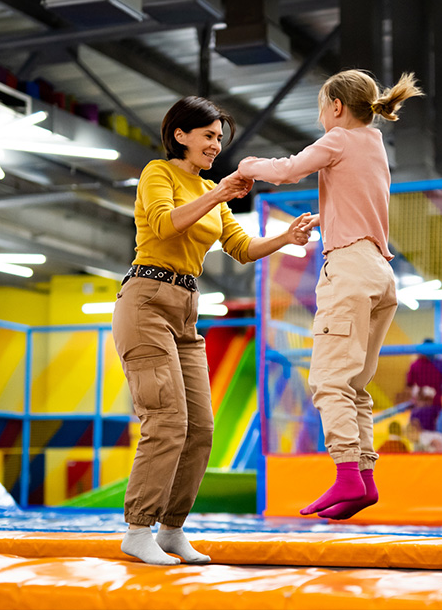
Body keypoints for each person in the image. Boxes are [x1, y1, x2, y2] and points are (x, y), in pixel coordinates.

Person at [113, 96, 319, 566]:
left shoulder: (212, 191)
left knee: (201, 428)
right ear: (181, 135)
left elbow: (242, 249)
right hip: (146, 300)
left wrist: (286, 239)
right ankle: (138, 528)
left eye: (219, 138)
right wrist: (217, 192)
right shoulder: (158, 173)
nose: (215, 144)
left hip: (187, 308)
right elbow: (164, 226)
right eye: (208, 136)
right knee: (165, 421)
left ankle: (172, 529)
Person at [238, 70, 423, 520]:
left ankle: (345, 475)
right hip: (380, 273)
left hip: (350, 270)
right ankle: (363, 479)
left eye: (322, 108)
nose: (323, 117)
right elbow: (360, 199)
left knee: (328, 381)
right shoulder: (374, 144)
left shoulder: (339, 138)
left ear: (336, 107)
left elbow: (286, 171)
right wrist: (321, 219)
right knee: (355, 384)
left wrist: (247, 166)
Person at [406, 340, 442, 431]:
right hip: (436, 405)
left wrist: (418, 397)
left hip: (420, 405)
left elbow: (409, 384)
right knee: (437, 432)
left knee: (419, 433)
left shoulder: (415, 365)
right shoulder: (440, 364)